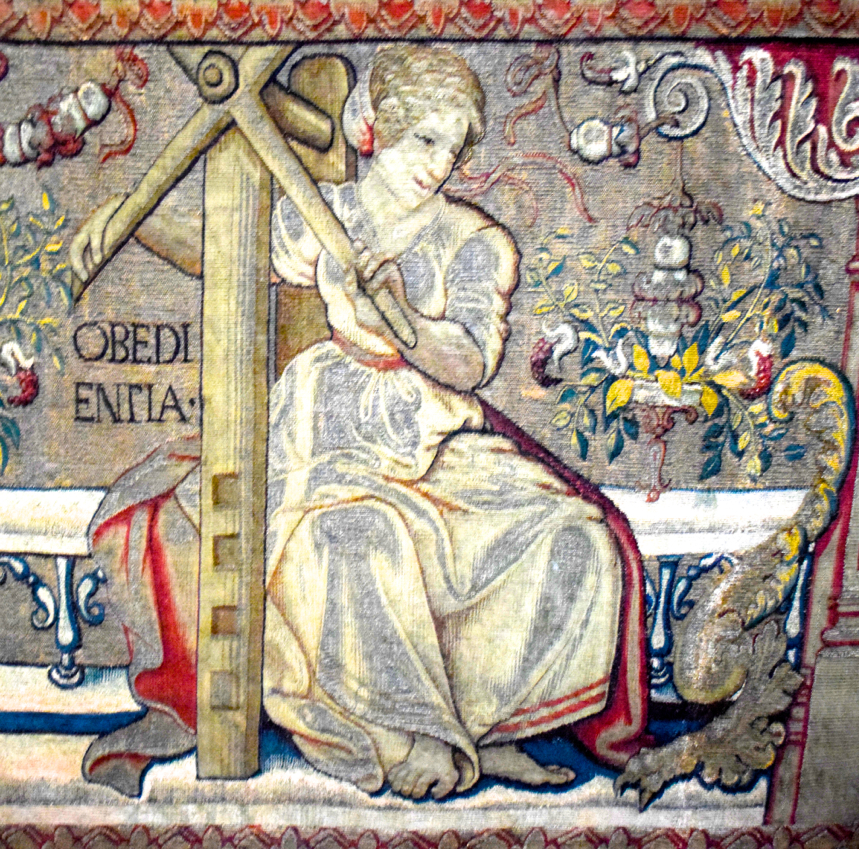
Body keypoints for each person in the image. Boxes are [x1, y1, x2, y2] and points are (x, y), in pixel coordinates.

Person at [263, 44, 649, 801]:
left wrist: (404, 321)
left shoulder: (475, 240)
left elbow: (470, 360)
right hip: (331, 431)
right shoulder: (321, 213)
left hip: (436, 432)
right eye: (424, 140)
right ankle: (405, 736)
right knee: (358, 536)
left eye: (452, 147)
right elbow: (223, 249)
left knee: (575, 538)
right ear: (376, 127)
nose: (438, 164)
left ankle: (485, 731)